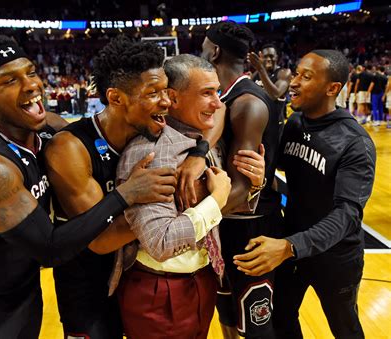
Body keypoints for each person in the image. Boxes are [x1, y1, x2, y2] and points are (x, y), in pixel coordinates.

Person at [0, 34, 176, 339]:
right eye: (9, 80)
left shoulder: (49, 126)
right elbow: (49, 249)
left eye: (30, 72)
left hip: (22, 293)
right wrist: (126, 194)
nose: (31, 85)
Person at [114, 54, 265, 339]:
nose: (218, 103)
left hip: (201, 278)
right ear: (173, 98)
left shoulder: (201, 141)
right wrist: (215, 200)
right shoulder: (148, 152)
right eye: (207, 93)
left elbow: (221, 208)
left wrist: (255, 185)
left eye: (218, 92)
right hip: (158, 290)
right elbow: (160, 242)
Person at [233, 50, 376, 339]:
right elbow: (278, 166)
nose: (294, 82)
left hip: (335, 257)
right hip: (292, 246)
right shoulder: (295, 124)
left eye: (306, 77)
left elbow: (347, 216)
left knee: (345, 327)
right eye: (296, 73)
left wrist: (289, 246)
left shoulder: (355, 143)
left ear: (332, 88)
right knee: (282, 319)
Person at [44, 36, 177, 339]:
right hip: (88, 288)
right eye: (153, 93)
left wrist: (200, 153)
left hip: (137, 278)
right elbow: (101, 240)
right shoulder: (70, 148)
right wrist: (173, 211)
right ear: (116, 98)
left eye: (166, 91)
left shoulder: (151, 131)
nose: (166, 102)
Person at [201, 21, 284, 339]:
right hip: (225, 223)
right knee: (227, 315)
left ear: (215, 51)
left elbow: (243, 187)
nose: (202, 51)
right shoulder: (225, 97)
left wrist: (185, 219)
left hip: (251, 229)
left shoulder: (247, 103)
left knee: (255, 327)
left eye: (204, 46)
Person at [249, 43, 292, 122]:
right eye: (265, 57)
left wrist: (261, 69)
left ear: (277, 57)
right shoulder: (256, 73)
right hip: (258, 119)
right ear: (261, 58)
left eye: (271, 56)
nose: (268, 59)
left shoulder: (284, 73)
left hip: (275, 123)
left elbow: (275, 94)